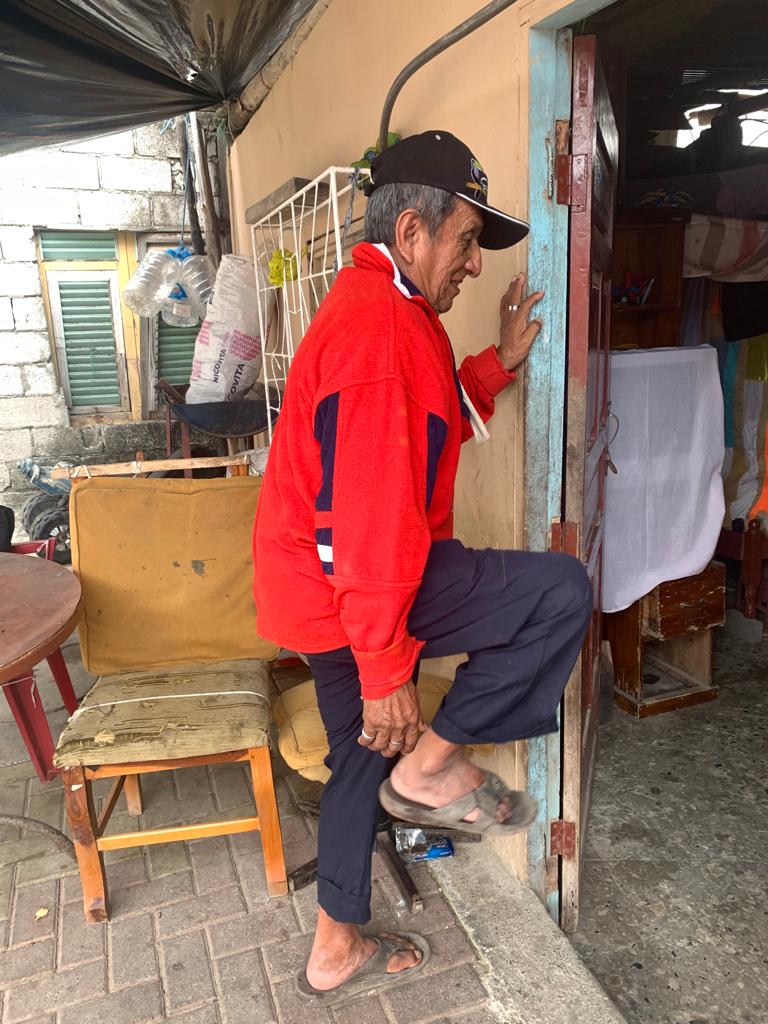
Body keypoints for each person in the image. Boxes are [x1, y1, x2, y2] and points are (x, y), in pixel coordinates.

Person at [253, 131, 592, 1005]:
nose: (475, 266)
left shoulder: (390, 311)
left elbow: (428, 417)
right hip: (358, 584)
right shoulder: (379, 332)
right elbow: (365, 524)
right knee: (559, 593)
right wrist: (384, 670)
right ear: (412, 232)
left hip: (329, 592)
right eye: (467, 242)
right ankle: (432, 768)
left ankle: (334, 948)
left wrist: (498, 365)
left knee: (359, 763)